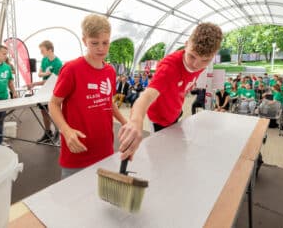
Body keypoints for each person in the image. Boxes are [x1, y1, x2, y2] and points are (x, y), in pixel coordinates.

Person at [118, 22, 222, 160]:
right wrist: (136, 121)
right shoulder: (169, 68)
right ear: (186, 45)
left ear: (213, 55)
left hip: (176, 112)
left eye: (205, 60)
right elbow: (146, 96)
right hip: (159, 118)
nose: (196, 65)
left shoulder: (201, 63)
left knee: (177, 152)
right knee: (161, 156)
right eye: (192, 56)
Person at [48, 14, 127, 179]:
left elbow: (108, 101)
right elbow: (53, 104)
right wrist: (66, 131)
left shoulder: (110, 71)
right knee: (72, 200)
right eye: (94, 43)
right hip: (78, 152)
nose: (101, 48)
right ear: (85, 41)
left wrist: (124, 122)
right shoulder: (71, 69)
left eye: (105, 43)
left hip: (105, 149)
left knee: (101, 200)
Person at [29, 40, 63, 143]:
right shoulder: (44, 60)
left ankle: (58, 132)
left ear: (50, 50)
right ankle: (48, 133)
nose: (41, 53)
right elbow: (40, 74)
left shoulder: (58, 63)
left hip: (54, 91)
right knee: (44, 111)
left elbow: (52, 81)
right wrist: (45, 73)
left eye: (42, 50)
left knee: (54, 112)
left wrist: (35, 83)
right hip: (45, 91)